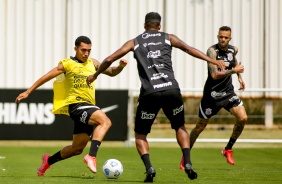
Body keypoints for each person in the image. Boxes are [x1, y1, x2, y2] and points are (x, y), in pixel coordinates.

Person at [86, 12, 225, 182]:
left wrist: (96, 75)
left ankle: (149, 168)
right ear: (159, 26)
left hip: (149, 93)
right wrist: (212, 61)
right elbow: (189, 49)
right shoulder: (168, 38)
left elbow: (109, 59)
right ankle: (187, 162)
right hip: (171, 90)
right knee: (180, 127)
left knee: (140, 135)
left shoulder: (135, 42)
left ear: (144, 25)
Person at [15, 36, 127, 176]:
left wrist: (121, 67)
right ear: (75, 49)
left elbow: (111, 72)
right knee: (105, 121)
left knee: (76, 149)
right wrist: (28, 91)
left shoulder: (94, 63)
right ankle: (91, 156)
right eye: (83, 50)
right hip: (76, 106)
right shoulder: (67, 64)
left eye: (89, 51)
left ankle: (48, 161)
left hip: (88, 106)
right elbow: (47, 76)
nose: (86, 53)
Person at [180, 26, 247, 168]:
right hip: (212, 95)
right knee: (199, 127)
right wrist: (234, 70)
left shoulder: (233, 49)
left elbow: (234, 63)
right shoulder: (212, 51)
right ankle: (185, 157)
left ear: (230, 38)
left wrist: (239, 77)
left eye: (225, 37)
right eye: (220, 37)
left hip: (228, 93)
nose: (222, 40)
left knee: (243, 118)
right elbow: (214, 75)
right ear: (217, 37)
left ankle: (228, 149)